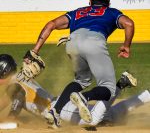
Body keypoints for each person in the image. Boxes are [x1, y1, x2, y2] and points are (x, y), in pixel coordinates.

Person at [24, 0, 135, 128]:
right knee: (109, 88)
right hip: (94, 41)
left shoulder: (78, 12)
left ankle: (55, 112)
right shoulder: (111, 12)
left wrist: (35, 50)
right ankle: (84, 97)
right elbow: (129, 23)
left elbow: (51, 24)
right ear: (108, 3)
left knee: (81, 80)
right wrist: (126, 45)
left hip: (72, 43)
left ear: (90, 1)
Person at [0, 54, 139, 129]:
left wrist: (11, 117)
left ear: (3, 71)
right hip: (62, 104)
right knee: (110, 116)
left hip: (60, 110)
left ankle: (120, 85)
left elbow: (17, 96)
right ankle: (138, 91)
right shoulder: (19, 79)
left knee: (93, 121)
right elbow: (5, 101)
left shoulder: (15, 86)